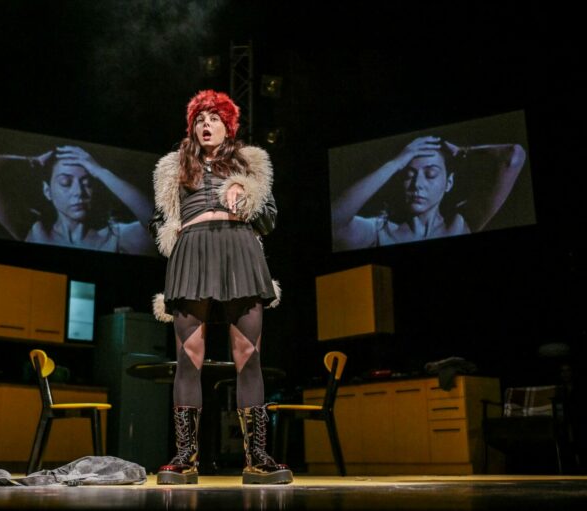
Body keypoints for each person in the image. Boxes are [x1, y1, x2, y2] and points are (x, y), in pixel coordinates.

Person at [148, 90, 291, 485]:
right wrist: (173, 231)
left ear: (228, 126)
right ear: (192, 127)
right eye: (199, 119)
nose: (206, 125)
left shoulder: (250, 164)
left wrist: (247, 197)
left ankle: (257, 457)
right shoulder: (174, 167)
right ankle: (185, 457)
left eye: (214, 118)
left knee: (248, 355)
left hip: (239, 249)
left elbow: (269, 220)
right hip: (192, 252)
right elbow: (158, 221)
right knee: (188, 357)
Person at [331, 135, 527, 250]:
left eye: (431, 174)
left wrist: (462, 151)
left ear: (448, 183)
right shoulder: (378, 231)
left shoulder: (462, 223)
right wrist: (394, 164)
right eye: (408, 175)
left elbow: (513, 156)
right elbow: (332, 222)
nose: (417, 184)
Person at [0, 145, 156, 255]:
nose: (78, 192)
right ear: (47, 191)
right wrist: (34, 161)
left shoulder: (116, 237)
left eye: (87, 183)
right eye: (65, 182)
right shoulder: (34, 231)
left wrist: (101, 172)